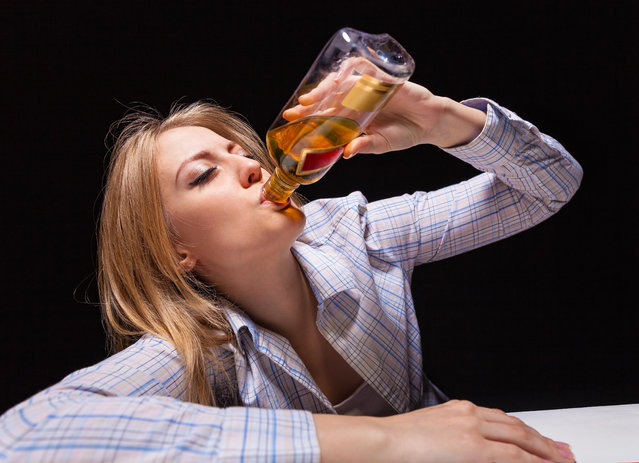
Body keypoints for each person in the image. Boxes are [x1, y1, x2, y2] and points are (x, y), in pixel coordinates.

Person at [0, 75, 582, 462]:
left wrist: (444, 124)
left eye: (241, 153)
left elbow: (550, 187)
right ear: (176, 251)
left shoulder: (356, 233)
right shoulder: (196, 350)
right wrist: (386, 440)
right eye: (204, 175)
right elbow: (25, 435)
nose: (252, 168)